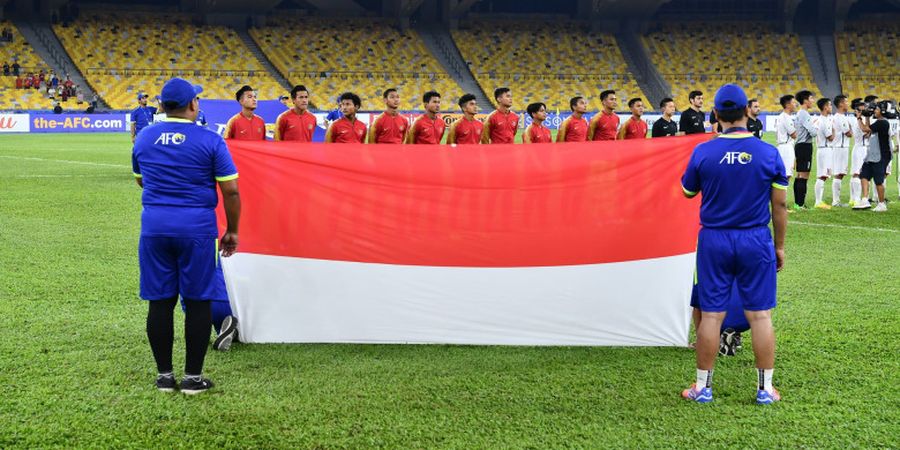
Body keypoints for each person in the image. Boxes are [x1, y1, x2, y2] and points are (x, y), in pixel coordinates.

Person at [131, 77, 241, 394]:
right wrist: (231, 230)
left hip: (154, 228)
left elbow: (141, 180)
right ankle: (193, 379)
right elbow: (231, 191)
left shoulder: (145, 138)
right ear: (193, 104)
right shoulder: (210, 140)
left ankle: (165, 376)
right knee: (197, 300)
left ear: (162, 106)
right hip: (196, 229)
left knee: (160, 301)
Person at [680, 84, 787, 405]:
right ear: (747, 113)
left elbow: (687, 192)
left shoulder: (702, 152)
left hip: (714, 238)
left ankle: (702, 388)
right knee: (761, 316)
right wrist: (779, 247)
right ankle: (765, 390)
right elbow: (779, 207)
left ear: (715, 115)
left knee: (711, 315)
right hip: (755, 238)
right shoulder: (768, 152)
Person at [854, 100, 895, 212]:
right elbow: (869, 130)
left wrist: (859, 118)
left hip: (881, 155)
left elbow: (865, 130)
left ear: (882, 111)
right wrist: (867, 117)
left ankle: (882, 204)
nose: (874, 111)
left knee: (878, 180)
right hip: (873, 154)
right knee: (864, 175)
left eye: (876, 109)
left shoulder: (883, 122)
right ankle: (865, 200)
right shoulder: (880, 122)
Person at [792, 90, 817, 210]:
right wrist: (816, 128)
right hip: (804, 146)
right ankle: (800, 204)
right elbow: (812, 132)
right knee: (804, 175)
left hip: (800, 145)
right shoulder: (804, 114)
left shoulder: (800, 113)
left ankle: (798, 203)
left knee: (799, 174)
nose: (813, 101)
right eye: (811, 98)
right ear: (806, 100)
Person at [831, 95, 853, 207]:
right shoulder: (840, 117)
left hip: (840, 147)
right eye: (846, 102)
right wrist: (850, 128)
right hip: (840, 147)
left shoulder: (838, 117)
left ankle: (836, 200)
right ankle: (836, 201)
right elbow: (849, 133)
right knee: (839, 173)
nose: (847, 104)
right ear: (840, 104)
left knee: (840, 173)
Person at [813, 97, 835, 209]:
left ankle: (819, 201)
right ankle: (818, 201)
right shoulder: (825, 121)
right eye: (830, 105)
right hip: (825, 149)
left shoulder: (819, 119)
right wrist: (834, 129)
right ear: (825, 107)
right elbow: (830, 137)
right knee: (822, 176)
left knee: (823, 175)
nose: (831, 107)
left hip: (823, 149)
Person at [848, 98, 868, 206]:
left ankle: (853, 198)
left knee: (858, 173)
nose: (863, 111)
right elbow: (866, 131)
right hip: (860, 148)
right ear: (856, 110)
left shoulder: (863, 119)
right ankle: (856, 199)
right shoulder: (857, 121)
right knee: (857, 173)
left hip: (864, 148)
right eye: (860, 110)